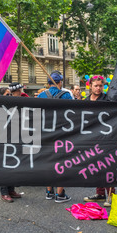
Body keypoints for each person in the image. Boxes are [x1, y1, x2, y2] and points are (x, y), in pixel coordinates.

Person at [38, 71, 72, 203]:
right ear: (60, 82)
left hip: (44, 134)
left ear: (48, 83)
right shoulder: (66, 95)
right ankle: (60, 194)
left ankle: (49, 191)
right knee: (61, 163)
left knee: (47, 162)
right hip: (61, 133)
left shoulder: (41, 95)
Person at [83, 76, 115, 206]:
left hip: (105, 137)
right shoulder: (85, 100)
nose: (98, 88)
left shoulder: (108, 98)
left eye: (100, 86)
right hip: (91, 138)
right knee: (95, 167)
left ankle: (111, 196)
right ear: (90, 86)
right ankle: (100, 193)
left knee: (107, 166)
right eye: (95, 86)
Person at [0, 86, 22, 202]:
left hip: (13, 139)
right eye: (7, 95)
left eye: (11, 94)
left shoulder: (13, 106)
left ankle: (11, 189)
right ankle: (4, 192)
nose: (10, 97)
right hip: (2, 140)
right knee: (3, 167)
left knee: (13, 166)